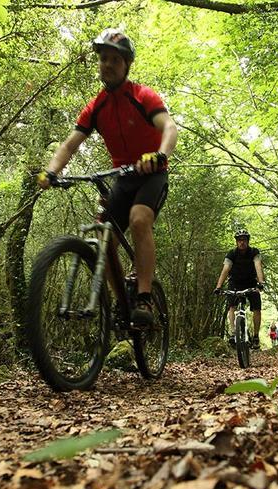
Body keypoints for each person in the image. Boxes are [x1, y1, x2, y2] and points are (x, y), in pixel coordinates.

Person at [38, 28, 178, 329]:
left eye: (115, 59)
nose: (108, 64)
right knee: (105, 240)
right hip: (122, 178)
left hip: (151, 174)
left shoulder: (143, 96)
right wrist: (52, 171)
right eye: (103, 58)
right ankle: (121, 304)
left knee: (140, 219)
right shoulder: (96, 106)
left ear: (126, 64)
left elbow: (169, 127)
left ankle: (143, 298)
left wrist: (160, 155)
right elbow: (70, 144)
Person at [213, 229, 266, 349]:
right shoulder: (231, 253)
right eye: (239, 240)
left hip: (251, 282)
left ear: (248, 241)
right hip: (235, 283)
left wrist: (261, 282)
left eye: (244, 240)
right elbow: (225, 270)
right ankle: (233, 333)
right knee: (232, 306)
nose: (242, 242)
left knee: (257, 308)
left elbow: (258, 266)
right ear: (236, 242)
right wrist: (218, 287)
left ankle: (256, 336)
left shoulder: (254, 252)